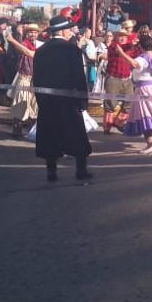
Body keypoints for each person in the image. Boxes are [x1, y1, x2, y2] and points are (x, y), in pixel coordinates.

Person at [33, 15, 93, 182]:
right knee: (77, 136)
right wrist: (83, 101)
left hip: (47, 101)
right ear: (63, 30)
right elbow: (79, 77)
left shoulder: (40, 51)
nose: (71, 32)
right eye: (70, 29)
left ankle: (51, 172)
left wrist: (40, 100)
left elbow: (36, 79)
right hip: (69, 101)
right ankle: (81, 170)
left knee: (50, 136)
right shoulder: (72, 50)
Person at [102, 20, 140, 133]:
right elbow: (120, 50)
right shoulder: (113, 46)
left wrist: (142, 43)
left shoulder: (130, 48)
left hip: (127, 80)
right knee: (110, 104)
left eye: (125, 36)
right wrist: (131, 44)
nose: (123, 38)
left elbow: (137, 53)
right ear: (117, 37)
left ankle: (118, 122)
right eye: (120, 36)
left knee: (129, 102)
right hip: (113, 79)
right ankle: (107, 128)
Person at [4, 23, 40, 138]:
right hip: (24, 76)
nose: (33, 34)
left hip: (36, 78)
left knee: (35, 105)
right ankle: (17, 130)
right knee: (20, 103)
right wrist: (13, 40)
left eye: (35, 32)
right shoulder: (23, 44)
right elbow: (24, 51)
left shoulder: (40, 45)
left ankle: (33, 130)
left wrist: (12, 40)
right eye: (30, 32)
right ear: (26, 34)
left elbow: (30, 53)